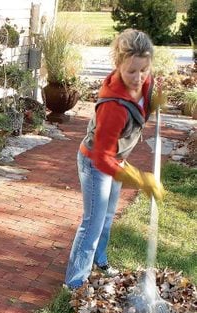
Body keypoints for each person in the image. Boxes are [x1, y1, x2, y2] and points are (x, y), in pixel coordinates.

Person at [64, 28, 165, 290]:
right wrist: (140, 179)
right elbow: (101, 158)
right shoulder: (113, 107)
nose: (138, 77)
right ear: (118, 64)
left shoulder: (144, 79)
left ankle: (100, 261)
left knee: (107, 217)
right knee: (93, 223)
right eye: (132, 71)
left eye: (144, 70)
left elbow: (147, 90)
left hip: (116, 159)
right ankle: (75, 283)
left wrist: (153, 101)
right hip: (95, 163)